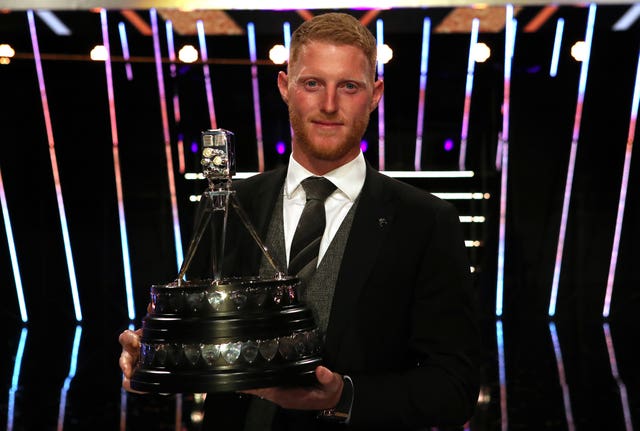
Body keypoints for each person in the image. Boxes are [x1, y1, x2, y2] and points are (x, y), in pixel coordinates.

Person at [120, 12, 480, 430]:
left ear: (375, 94)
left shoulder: (426, 221)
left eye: (349, 86)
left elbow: (454, 389)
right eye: (312, 83)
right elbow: (202, 339)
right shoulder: (231, 203)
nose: (329, 104)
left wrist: (344, 396)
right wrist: (152, 355)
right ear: (285, 86)